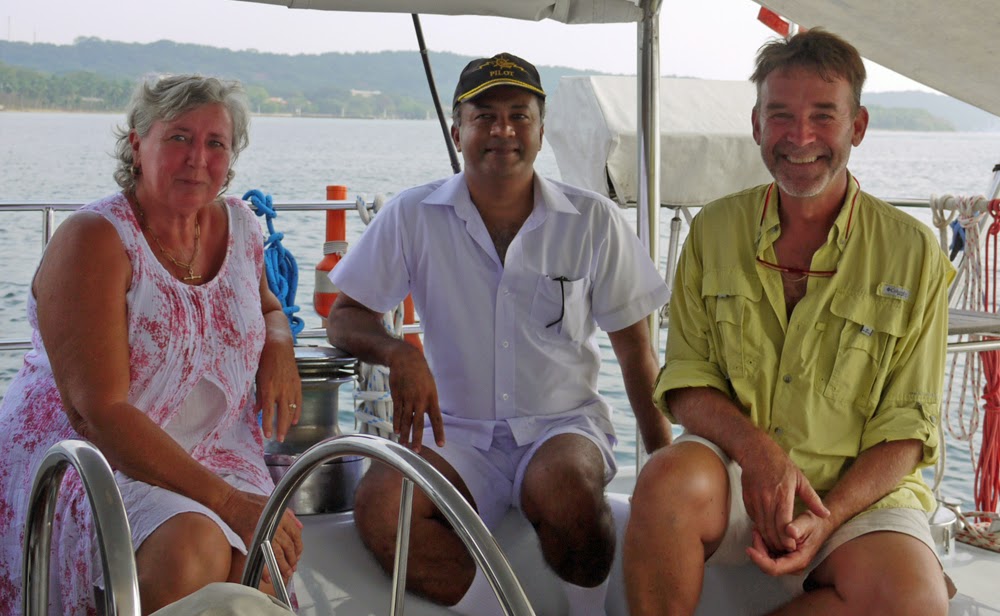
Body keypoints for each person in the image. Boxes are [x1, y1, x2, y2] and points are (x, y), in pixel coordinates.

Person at [326, 52, 671, 614]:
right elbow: (344, 316)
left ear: (541, 129)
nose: (502, 130)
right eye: (484, 116)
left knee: (566, 489)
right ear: (456, 130)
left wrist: (662, 461)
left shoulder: (593, 221)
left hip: (562, 426)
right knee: (382, 506)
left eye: (519, 115)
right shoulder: (412, 215)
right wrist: (398, 353)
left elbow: (635, 352)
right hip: (454, 431)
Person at [624, 29, 954, 615]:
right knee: (664, 481)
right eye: (781, 115)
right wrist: (759, 454)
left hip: (857, 497)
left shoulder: (913, 251)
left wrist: (829, 517)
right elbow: (688, 382)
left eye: (823, 116)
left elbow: (908, 427)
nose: (800, 138)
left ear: (857, 127)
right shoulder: (712, 231)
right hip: (735, 470)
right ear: (756, 125)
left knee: (916, 602)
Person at [0, 74, 304, 614]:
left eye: (216, 143)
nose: (198, 159)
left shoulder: (241, 226)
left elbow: (267, 306)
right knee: (192, 552)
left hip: (217, 449)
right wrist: (232, 505)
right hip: (98, 456)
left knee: (253, 566)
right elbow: (99, 413)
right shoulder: (94, 239)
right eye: (179, 137)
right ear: (137, 144)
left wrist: (278, 342)